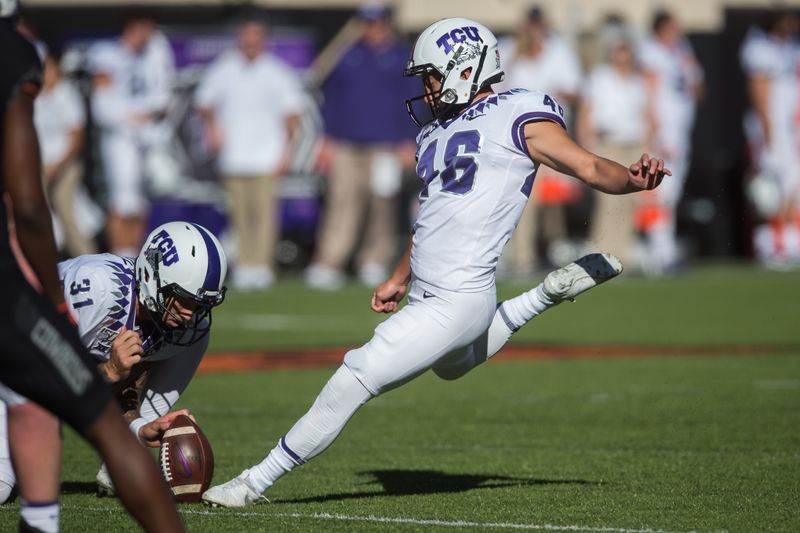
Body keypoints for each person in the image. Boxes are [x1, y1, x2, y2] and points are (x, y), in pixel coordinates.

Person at [201, 17, 669, 507]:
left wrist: (634, 180)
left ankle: (254, 481)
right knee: (453, 366)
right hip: (441, 295)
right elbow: (432, 211)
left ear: (465, 70)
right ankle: (544, 295)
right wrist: (400, 275)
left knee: (353, 377)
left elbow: (589, 165)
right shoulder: (436, 133)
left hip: (459, 297)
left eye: (431, 76)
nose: (425, 88)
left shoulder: (521, 113)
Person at [0, 4, 184, 531]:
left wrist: (134, 418)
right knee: (81, 420)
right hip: (13, 286)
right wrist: (55, 305)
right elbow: (29, 203)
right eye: (182, 300)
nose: (185, 317)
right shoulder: (98, 284)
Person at [0, 221, 228, 498]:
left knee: (196, 338)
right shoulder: (96, 290)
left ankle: (126, 450)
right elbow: (38, 380)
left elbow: (120, 388)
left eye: (201, 305)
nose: (190, 314)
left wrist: (139, 427)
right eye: (182, 300)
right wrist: (108, 371)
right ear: (151, 276)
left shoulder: (187, 331)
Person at [304, 3, 418, 290]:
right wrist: (326, 139)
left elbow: (410, 103)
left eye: (377, 22)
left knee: (382, 204)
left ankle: (373, 260)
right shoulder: (348, 55)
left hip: (386, 145)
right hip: (346, 143)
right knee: (342, 202)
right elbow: (332, 101)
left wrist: (407, 140)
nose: (372, 28)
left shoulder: (401, 57)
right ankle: (330, 261)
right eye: (367, 23)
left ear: (388, 23)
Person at [195, 18, 304, 290]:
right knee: (239, 215)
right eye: (247, 38)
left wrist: (287, 151)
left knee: (264, 215)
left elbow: (292, 114)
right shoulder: (224, 68)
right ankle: (245, 265)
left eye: (256, 38)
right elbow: (204, 102)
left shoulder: (277, 72)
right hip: (233, 158)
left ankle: (262, 265)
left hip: (266, 156)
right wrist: (212, 129)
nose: (251, 44)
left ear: (263, 40)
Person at [497, 6, 584, 276]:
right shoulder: (509, 49)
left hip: (552, 134)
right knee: (524, 199)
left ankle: (553, 250)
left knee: (554, 202)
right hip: (517, 137)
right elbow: (496, 90)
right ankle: (523, 257)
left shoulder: (559, 51)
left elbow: (574, 90)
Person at [90, 13, 176, 258]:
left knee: (140, 203)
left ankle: (133, 256)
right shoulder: (107, 53)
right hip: (121, 138)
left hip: (146, 138)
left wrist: (150, 119)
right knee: (122, 200)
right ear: (133, 27)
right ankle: (118, 257)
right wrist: (135, 117)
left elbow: (163, 96)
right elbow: (102, 106)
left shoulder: (153, 54)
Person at [579, 23, 652, 267]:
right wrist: (586, 145)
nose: (622, 55)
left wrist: (649, 145)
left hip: (632, 144)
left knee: (631, 200)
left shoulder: (637, 81)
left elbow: (646, 115)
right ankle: (603, 251)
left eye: (625, 50)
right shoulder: (599, 77)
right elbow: (587, 113)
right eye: (618, 50)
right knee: (608, 200)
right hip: (608, 144)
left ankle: (624, 253)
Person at [639, 10, 703, 273]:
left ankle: (664, 249)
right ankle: (660, 252)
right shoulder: (651, 51)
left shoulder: (682, 52)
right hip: (663, 133)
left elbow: (698, 90)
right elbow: (649, 96)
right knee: (659, 193)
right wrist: (657, 132)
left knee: (672, 194)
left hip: (680, 132)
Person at [740, 11, 800, 266]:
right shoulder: (759, 48)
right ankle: (768, 245)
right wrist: (767, 133)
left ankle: (788, 242)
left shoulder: (791, 48)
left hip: (790, 127)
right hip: (772, 128)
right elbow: (759, 92)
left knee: (792, 186)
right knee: (769, 191)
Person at [34, 49, 97, 257]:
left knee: (66, 207)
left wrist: (57, 166)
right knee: (33, 213)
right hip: (38, 166)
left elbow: (76, 137)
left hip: (65, 165)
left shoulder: (67, 94)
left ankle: (87, 259)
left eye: (49, 68)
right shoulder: (33, 95)